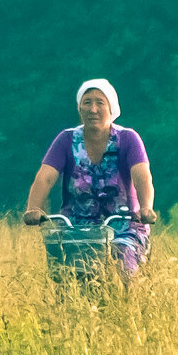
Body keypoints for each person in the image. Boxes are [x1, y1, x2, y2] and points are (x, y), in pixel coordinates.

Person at [24, 78, 156, 276]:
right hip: (76, 226)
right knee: (65, 272)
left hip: (123, 226)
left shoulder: (128, 138)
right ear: (79, 108)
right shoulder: (66, 140)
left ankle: (127, 303)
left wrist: (146, 208)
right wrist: (33, 208)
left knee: (122, 263)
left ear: (111, 107)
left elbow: (141, 177)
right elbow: (45, 178)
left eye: (100, 103)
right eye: (87, 102)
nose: (93, 109)